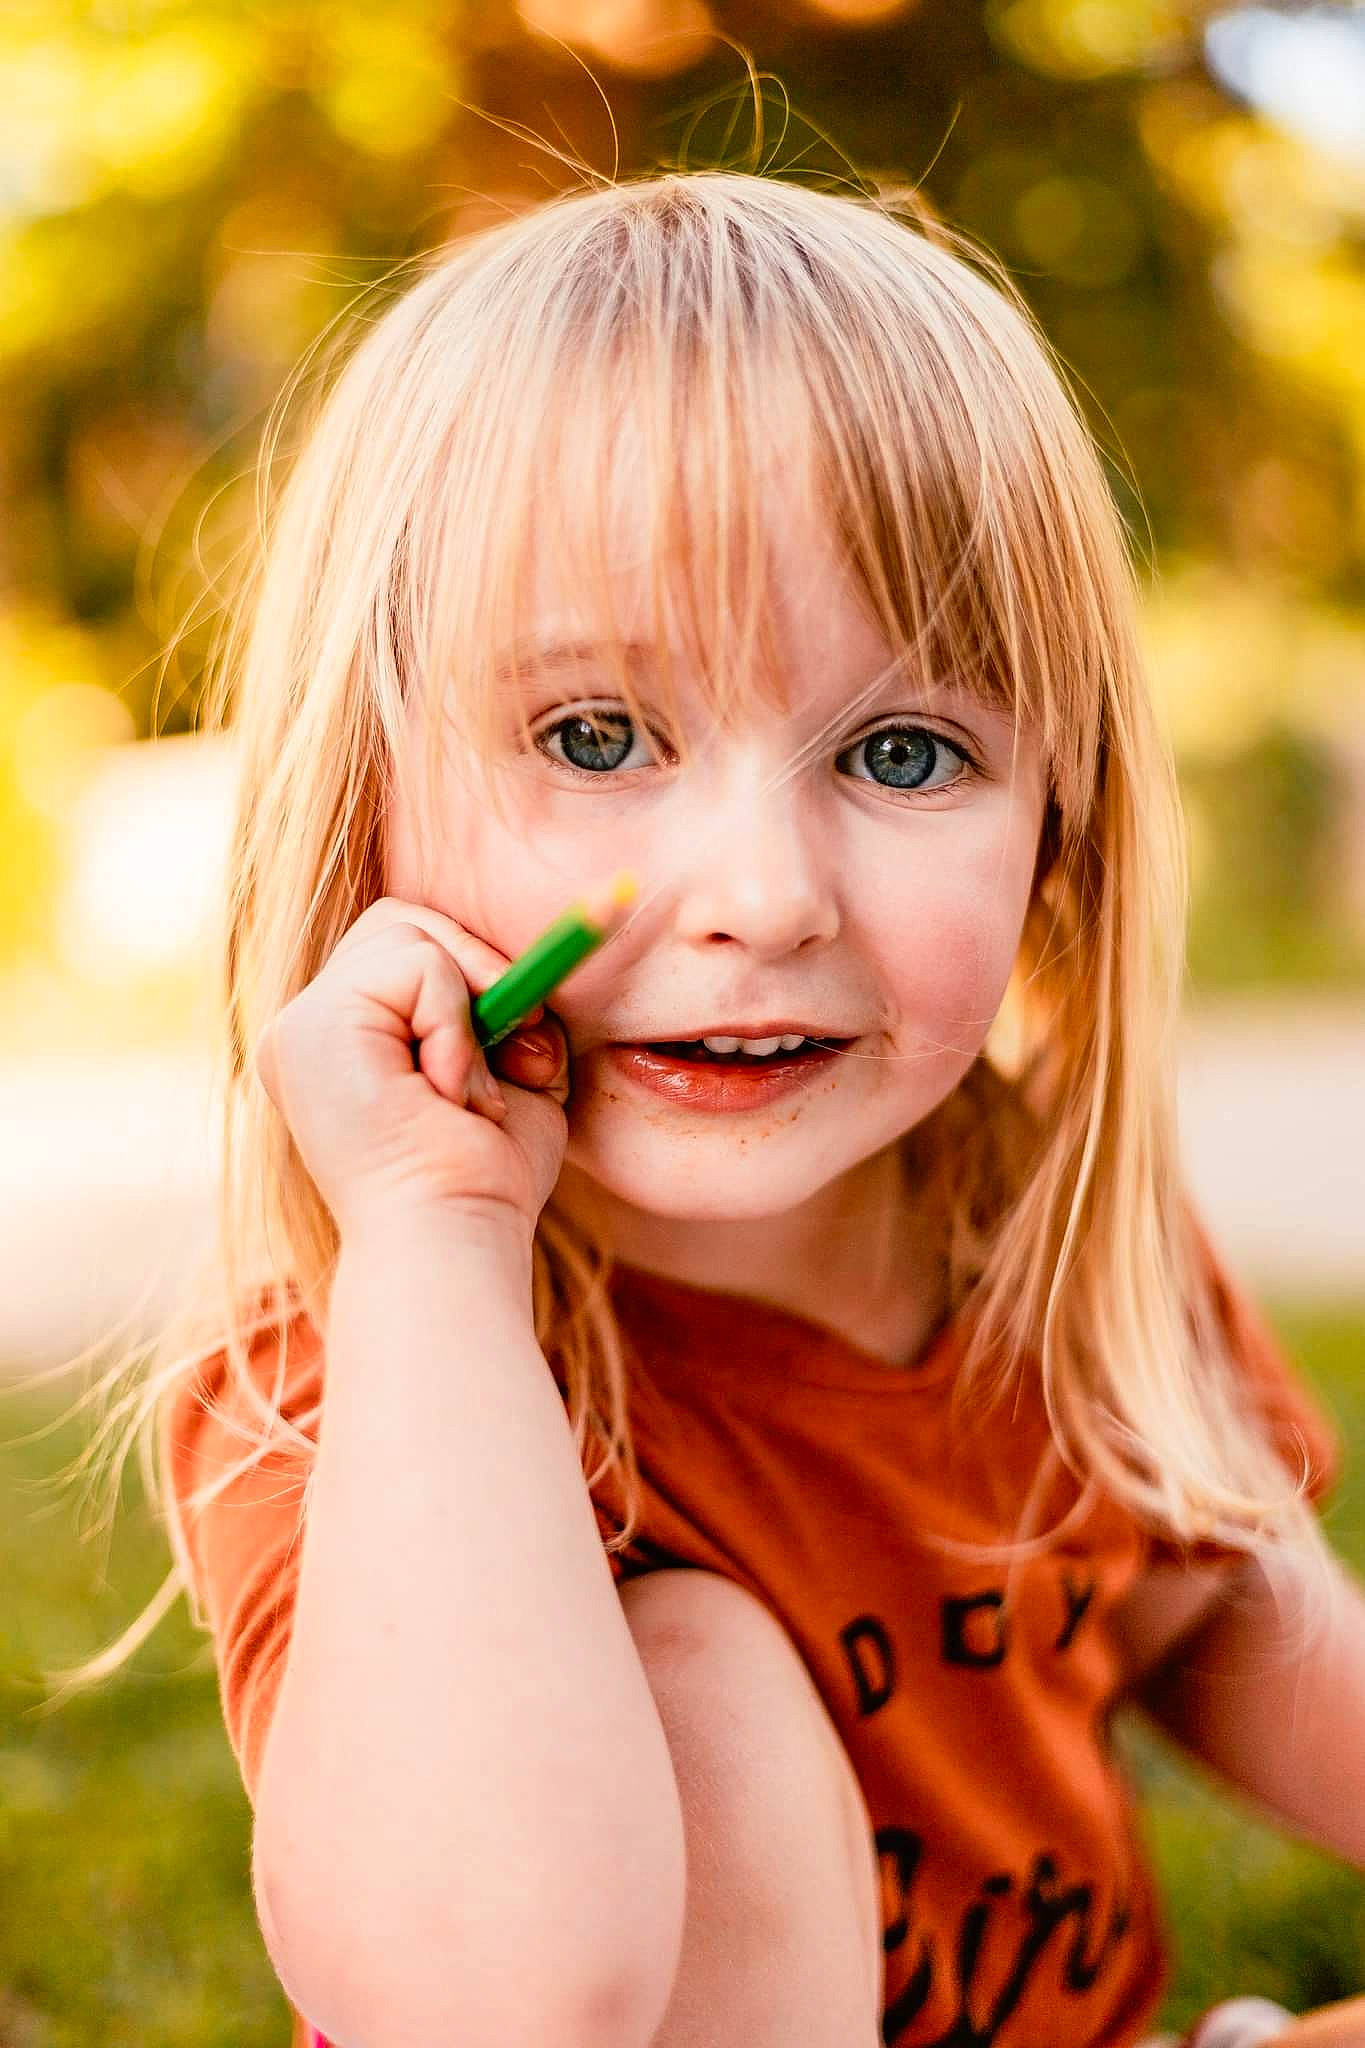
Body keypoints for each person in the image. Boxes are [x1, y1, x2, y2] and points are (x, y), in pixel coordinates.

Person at [49, 166, 1365, 2048]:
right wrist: (432, 1240)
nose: (759, 894)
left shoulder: (1037, 1230)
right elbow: (489, 2000)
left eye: (901, 751)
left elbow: (1216, 1621)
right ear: (365, 795)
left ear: (1060, 827)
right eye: (597, 739)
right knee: (697, 1675)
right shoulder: (352, 1368)